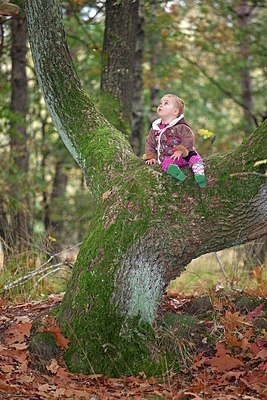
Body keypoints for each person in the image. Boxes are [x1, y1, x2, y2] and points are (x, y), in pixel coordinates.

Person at [143, 93, 207, 188]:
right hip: (170, 158)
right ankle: (177, 173)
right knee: (166, 163)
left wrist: (180, 150)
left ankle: (199, 173)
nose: (161, 105)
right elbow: (150, 143)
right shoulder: (155, 129)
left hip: (185, 154)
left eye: (166, 103)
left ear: (175, 111)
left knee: (194, 157)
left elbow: (188, 138)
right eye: (160, 103)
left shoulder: (181, 127)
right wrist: (151, 157)